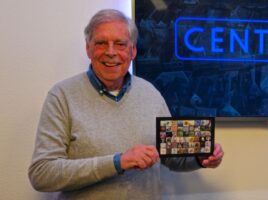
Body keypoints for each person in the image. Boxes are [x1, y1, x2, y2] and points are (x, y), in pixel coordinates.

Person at [28, 9, 224, 199]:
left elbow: (171, 156)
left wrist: (200, 157)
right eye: (101, 43)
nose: (111, 52)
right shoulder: (62, 96)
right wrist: (118, 162)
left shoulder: (151, 93)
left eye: (120, 44)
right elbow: (42, 173)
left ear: (133, 50)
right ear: (88, 48)